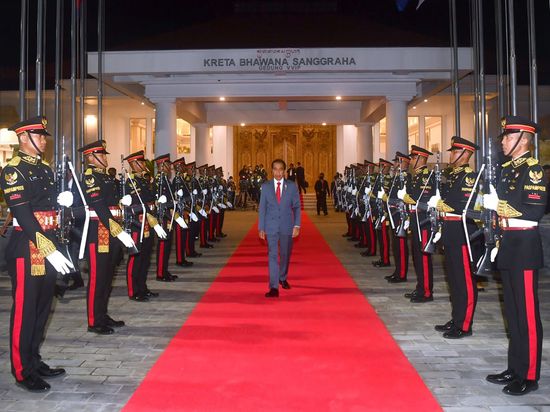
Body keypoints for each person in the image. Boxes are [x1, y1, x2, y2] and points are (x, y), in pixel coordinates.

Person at [0, 116, 74, 392]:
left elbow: (50, 207)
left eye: (44, 136)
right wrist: (49, 249)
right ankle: (21, 370)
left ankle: (34, 360)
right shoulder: (13, 171)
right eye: (39, 136)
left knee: (43, 307)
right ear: (23, 138)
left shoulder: (44, 168)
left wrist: (65, 201)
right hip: (27, 246)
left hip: (49, 241)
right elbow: (24, 215)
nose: (44, 140)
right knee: (25, 309)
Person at [484, 115, 546, 396]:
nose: (504, 141)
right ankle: (515, 367)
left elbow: (533, 211)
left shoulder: (534, 171)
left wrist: (500, 207)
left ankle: (530, 375)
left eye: (508, 137)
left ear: (523, 140)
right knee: (512, 311)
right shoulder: (509, 169)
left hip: (523, 244)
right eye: (505, 137)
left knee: (527, 315)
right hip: (508, 241)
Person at [79, 140, 136, 334]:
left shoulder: (105, 178)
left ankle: (102, 314)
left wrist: (122, 202)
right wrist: (116, 229)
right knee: (97, 277)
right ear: (90, 158)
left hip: (111, 229)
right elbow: (98, 206)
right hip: (99, 231)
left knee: (107, 276)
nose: (105, 158)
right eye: (101, 155)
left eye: (104, 155)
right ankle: (94, 321)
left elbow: (111, 204)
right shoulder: (90, 177)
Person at [428, 136, 479, 339]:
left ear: (466, 154)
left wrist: (443, 206)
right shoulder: (453, 176)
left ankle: (465, 324)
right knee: (454, 279)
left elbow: (465, 205)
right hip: (450, 230)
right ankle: (457, 318)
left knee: (464, 280)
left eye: (455, 152)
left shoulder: (468, 177)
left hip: (462, 230)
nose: (452, 155)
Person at [121, 150, 167, 302]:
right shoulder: (130, 183)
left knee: (146, 258)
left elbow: (149, 200)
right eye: (140, 162)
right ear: (133, 164)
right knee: (135, 257)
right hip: (137, 224)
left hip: (148, 222)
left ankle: (143, 287)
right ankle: (133, 290)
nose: (143, 165)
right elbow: (130, 206)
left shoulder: (143, 181)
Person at [258, 159, 301, 297]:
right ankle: (274, 287)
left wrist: (297, 224)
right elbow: (262, 209)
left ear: (284, 171)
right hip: (270, 226)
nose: (278, 172)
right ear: (272, 171)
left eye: (280, 169)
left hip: (287, 226)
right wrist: (261, 227)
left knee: (285, 254)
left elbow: (297, 207)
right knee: (272, 255)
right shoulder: (265, 187)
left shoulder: (292, 186)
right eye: (275, 169)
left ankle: (282, 277)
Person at [400, 145, 436, 303]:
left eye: (414, 158)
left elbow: (422, 198)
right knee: (416, 257)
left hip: (424, 221)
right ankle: (421, 287)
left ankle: (427, 291)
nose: (412, 160)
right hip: (416, 220)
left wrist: (408, 197)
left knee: (423, 257)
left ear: (421, 158)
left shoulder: (426, 176)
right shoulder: (417, 176)